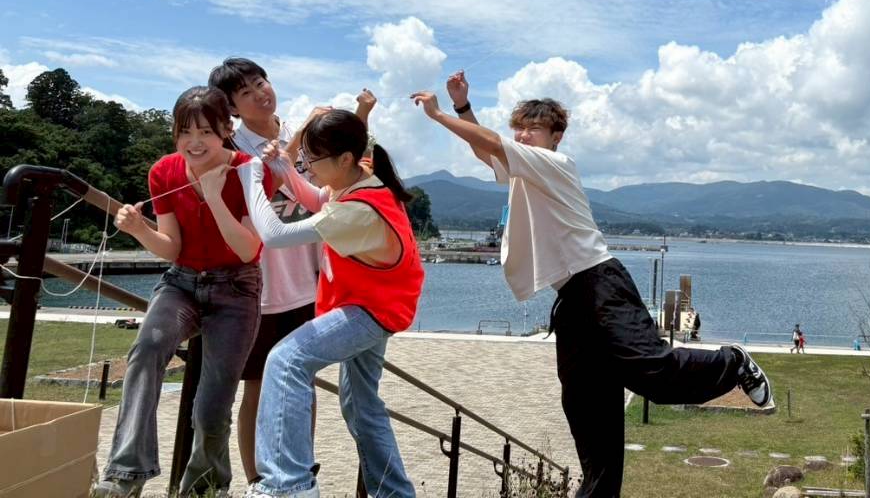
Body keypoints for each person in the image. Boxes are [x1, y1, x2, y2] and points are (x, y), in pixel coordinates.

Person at [414, 71, 773, 498]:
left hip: (601, 286)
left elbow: (491, 144)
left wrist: (439, 114)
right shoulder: (525, 169)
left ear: (556, 137)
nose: (523, 135)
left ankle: (733, 363)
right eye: (519, 128)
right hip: (571, 299)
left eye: (533, 128)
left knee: (652, 372)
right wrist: (462, 107)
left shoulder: (554, 164)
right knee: (587, 411)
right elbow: (486, 152)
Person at [207, 57, 377, 485]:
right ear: (232, 107)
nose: (260, 94)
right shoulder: (234, 147)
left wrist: (359, 114)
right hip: (260, 284)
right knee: (258, 386)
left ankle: (300, 473)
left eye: (260, 82)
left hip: (309, 280)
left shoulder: (303, 135)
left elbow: (342, 173)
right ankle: (255, 481)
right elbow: (263, 181)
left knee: (302, 380)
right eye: (245, 92)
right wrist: (301, 133)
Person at [240, 109, 424, 498]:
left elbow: (274, 235)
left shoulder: (358, 211)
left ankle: (288, 485)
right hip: (380, 305)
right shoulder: (361, 178)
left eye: (312, 159)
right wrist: (284, 167)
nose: (307, 166)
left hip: (368, 311)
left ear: (344, 159)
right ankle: (394, 493)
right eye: (304, 157)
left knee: (286, 360)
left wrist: (252, 181)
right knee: (361, 406)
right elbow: (316, 198)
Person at [93, 88, 263, 498]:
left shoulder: (250, 171)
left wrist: (214, 196)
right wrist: (139, 229)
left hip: (236, 287)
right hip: (182, 281)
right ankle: (125, 476)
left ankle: (205, 487)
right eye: (185, 132)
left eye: (206, 131)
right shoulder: (164, 172)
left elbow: (248, 249)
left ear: (227, 129)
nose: (194, 142)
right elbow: (171, 248)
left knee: (213, 402)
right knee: (146, 350)